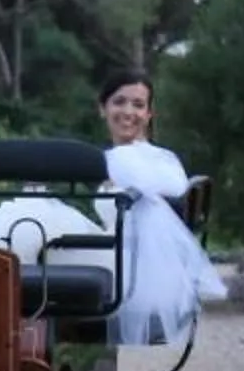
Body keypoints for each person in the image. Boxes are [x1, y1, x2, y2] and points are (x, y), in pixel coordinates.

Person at [96, 69, 226, 342]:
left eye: (138, 105)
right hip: (124, 260)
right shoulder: (159, 159)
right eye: (119, 102)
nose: (128, 112)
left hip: (137, 274)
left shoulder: (135, 161)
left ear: (149, 114)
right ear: (102, 108)